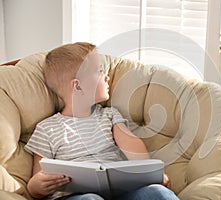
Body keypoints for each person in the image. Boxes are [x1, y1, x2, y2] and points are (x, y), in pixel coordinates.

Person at [24, 42, 179, 200]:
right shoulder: (47, 128)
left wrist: (150, 174)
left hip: (121, 193)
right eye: (99, 71)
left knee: (157, 193)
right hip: (76, 197)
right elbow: (36, 182)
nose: (107, 77)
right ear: (77, 86)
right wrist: (36, 186)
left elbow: (131, 145)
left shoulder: (109, 115)